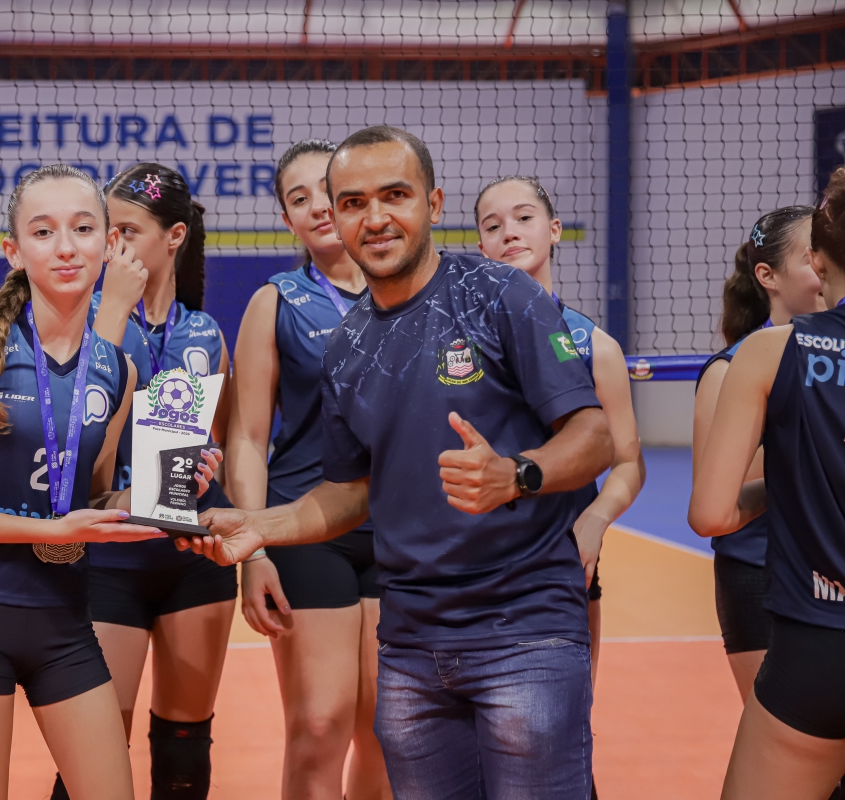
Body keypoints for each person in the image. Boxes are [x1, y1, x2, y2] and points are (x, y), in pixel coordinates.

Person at [183, 125, 614, 799]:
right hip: (412, 644)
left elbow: (594, 436)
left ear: (433, 204)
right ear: (336, 217)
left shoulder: (502, 294)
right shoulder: (347, 346)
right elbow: (351, 492)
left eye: (395, 195)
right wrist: (260, 528)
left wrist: (517, 474)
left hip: (522, 627)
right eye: (354, 203)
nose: (375, 217)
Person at [0, 164, 218, 800]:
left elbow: (88, 497)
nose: (66, 247)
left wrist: (166, 493)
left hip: (66, 624)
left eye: (83, 229)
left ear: (109, 243)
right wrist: (48, 530)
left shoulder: (118, 367)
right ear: (13, 250)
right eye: (43, 232)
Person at [55, 163, 234, 800]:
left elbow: (219, 447)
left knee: (185, 760)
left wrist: (209, 471)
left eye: (127, 231)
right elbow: (74, 460)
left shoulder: (203, 332)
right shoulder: (82, 320)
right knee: (93, 760)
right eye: (107, 231)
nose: (112, 245)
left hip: (193, 559)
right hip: (110, 559)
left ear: (174, 236)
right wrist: (113, 313)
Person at [225, 139, 390, 800]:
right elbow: (247, 438)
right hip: (307, 526)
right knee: (319, 725)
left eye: (328, 188)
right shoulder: (276, 301)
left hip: (400, 530)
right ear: (287, 220)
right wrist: (254, 549)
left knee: (387, 730)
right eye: (299, 198)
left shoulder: (412, 291)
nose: (318, 206)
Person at [689, 168, 845, 799]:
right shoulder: (746, 360)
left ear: (819, 259)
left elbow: (710, 513)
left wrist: (786, 481)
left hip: (818, 638)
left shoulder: (770, 353)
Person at [474, 175, 646, 687]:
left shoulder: (597, 346)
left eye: (524, 218)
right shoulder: (455, 343)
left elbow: (628, 461)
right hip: (468, 568)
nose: (509, 232)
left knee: (567, 721)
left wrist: (595, 519)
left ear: (553, 230)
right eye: (493, 226)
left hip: (560, 565)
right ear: (480, 247)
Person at [692, 206, 823, 702]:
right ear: (768, 276)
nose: (826, 265)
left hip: (830, 567)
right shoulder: (729, 372)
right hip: (762, 574)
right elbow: (717, 503)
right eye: (811, 257)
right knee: (784, 737)